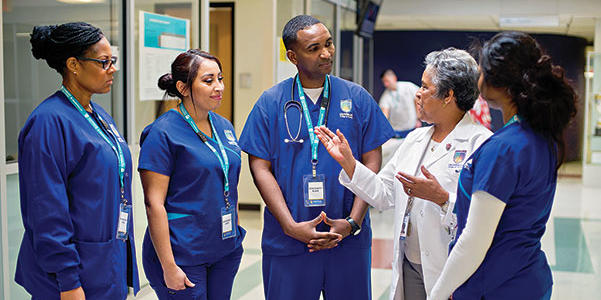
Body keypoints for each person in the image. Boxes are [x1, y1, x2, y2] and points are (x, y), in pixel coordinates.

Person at [315, 48, 492, 300]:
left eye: (425, 87)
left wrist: (442, 199)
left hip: (452, 270)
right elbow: (384, 194)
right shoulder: (415, 139)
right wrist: (349, 163)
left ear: (448, 96)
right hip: (409, 264)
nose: (417, 94)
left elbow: (485, 220)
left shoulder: (481, 144)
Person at [239, 15, 394, 300]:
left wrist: (353, 222)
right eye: (314, 48)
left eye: (329, 43)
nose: (326, 53)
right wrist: (288, 225)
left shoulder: (356, 97)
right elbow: (259, 166)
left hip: (346, 240)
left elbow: (372, 160)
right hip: (289, 240)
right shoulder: (271, 102)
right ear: (292, 56)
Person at [429, 32, 577, 300]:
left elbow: (474, 241)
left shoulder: (503, 150)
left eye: (482, 71)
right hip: (528, 278)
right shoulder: (540, 137)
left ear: (501, 83)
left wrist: (438, 294)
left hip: (496, 286)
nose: (478, 79)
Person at [15, 22, 139, 300]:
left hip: (105, 263)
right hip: (69, 278)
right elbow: (46, 210)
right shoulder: (47, 122)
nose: (113, 70)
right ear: (73, 64)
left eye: (113, 61)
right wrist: (68, 280)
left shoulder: (99, 115)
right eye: (104, 62)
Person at [138, 49, 245, 300]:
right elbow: (154, 203)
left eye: (220, 78)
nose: (219, 86)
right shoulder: (162, 133)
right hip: (182, 252)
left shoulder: (223, 126)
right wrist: (168, 266)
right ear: (183, 88)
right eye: (208, 81)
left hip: (223, 247)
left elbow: (229, 181)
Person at [379, 69, 421, 164]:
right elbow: (384, 114)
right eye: (384, 82)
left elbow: (418, 100)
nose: (386, 84)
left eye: (387, 81)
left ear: (394, 78)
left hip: (412, 130)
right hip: (396, 135)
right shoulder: (386, 96)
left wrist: (418, 117)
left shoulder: (408, 86)